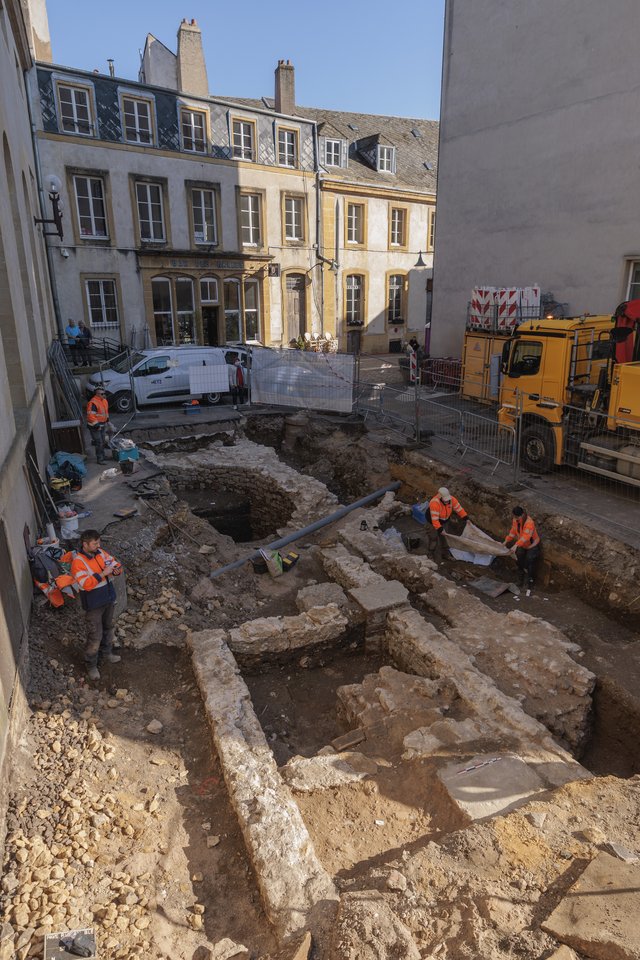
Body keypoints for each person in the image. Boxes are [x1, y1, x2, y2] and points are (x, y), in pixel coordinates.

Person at [71, 530, 122, 680]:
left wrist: (117, 570)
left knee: (108, 628)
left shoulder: (100, 553)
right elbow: (85, 584)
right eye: (95, 543)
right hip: (94, 604)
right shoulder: (78, 562)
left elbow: (115, 564)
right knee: (95, 636)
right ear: (85, 544)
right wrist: (103, 574)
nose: (98, 545)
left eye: (99, 542)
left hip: (108, 599)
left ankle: (107, 654)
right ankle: (91, 665)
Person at [426, 486, 469, 561]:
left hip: (444, 521)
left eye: (448, 500)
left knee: (445, 538)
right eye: (445, 500)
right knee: (434, 538)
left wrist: (465, 517)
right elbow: (435, 520)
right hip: (432, 523)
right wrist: (440, 529)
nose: (447, 501)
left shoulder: (451, 499)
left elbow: (459, 509)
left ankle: (445, 554)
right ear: (440, 497)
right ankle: (430, 554)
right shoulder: (434, 503)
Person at [503, 506, 541, 590]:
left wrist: (516, 545)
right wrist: (506, 541)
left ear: (521, 515)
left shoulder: (529, 523)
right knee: (518, 559)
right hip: (522, 544)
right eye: (514, 517)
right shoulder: (515, 520)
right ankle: (520, 578)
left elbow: (526, 537)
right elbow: (512, 532)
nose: (515, 518)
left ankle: (529, 581)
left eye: (516, 517)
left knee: (529, 561)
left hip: (532, 545)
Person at [86, 386, 110, 464]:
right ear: (97, 394)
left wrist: (107, 420)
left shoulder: (104, 401)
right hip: (95, 426)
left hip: (102, 424)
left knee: (102, 441)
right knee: (99, 442)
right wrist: (97, 425)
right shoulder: (93, 402)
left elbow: (105, 412)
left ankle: (102, 456)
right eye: (102, 394)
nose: (104, 395)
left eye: (104, 393)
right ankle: (100, 459)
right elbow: (90, 416)